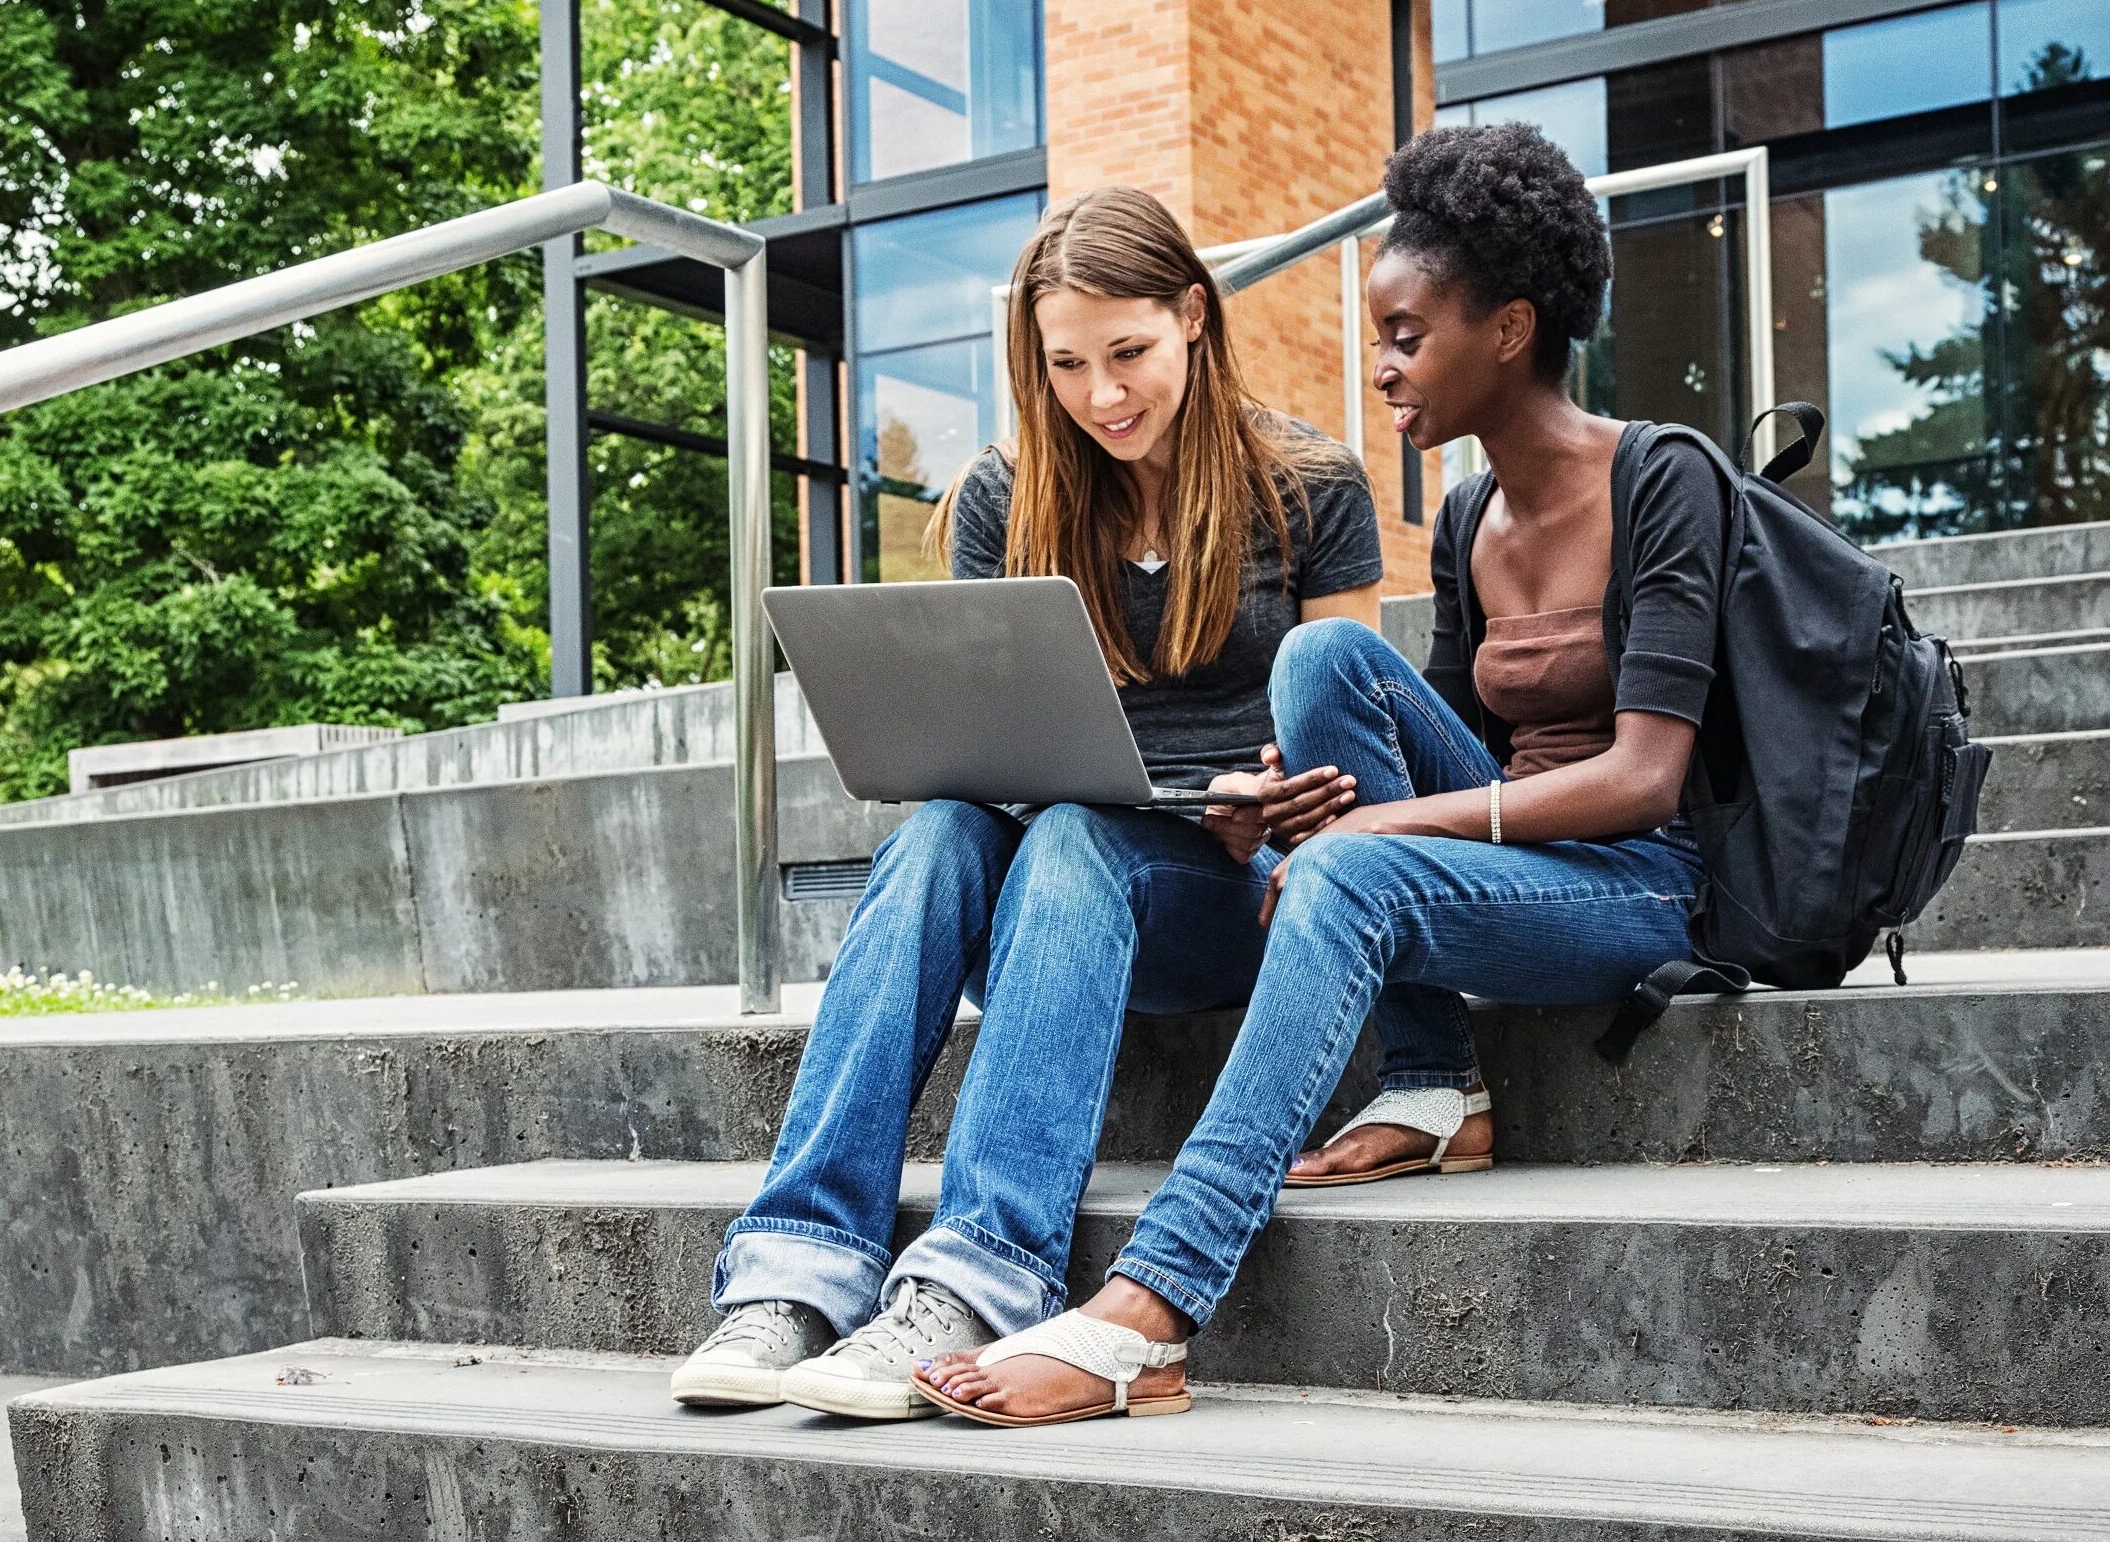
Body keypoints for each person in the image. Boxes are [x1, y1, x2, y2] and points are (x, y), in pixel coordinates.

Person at [917, 120, 1728, 1426]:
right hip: (1508, 851)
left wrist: (1365, 838)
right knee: (1323, 672)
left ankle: (1149, 1313)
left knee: (1346, 856)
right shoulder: (1466, 517)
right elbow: (1433, 737)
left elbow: (1643, 780)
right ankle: (1437, 1078)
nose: (1380, 365)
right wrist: (1282, 809)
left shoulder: (1663, 481)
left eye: (1407, 336)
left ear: (1510, 329)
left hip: (1639, 878)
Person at [669, 184, 1385, 1420]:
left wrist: (1268, 800)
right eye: (1068, 364)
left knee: (1069, 838)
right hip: (1056, 894)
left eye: (1130, 354)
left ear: (1195, 320)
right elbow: (981, 745)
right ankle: (793, 1273)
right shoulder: (1008, 496)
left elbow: (1349, 752)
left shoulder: (1311, 484)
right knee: (950, 826)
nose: (1104, 395)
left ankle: (977, 1284)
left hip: (1230, 895)